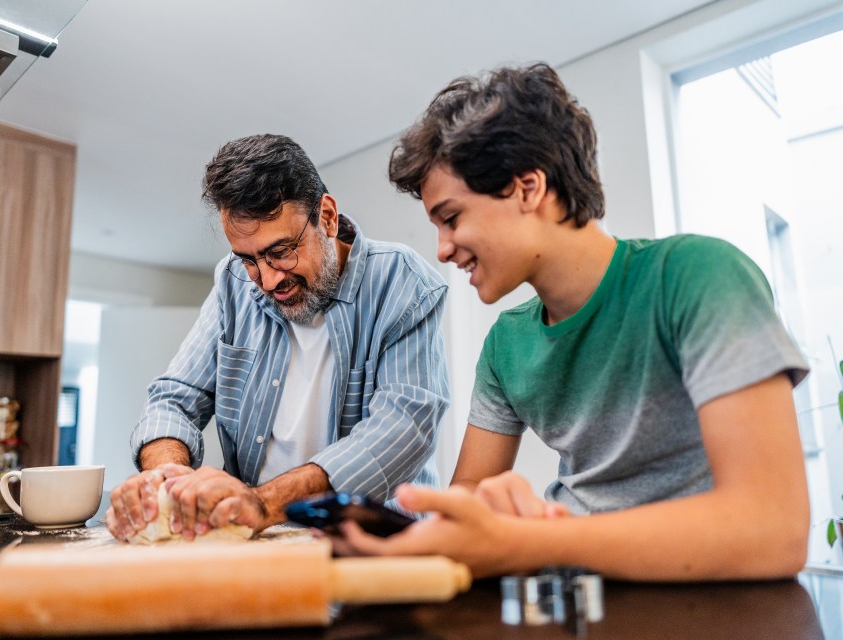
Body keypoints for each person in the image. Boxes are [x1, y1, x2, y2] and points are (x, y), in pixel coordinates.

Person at [330, 63, 811, 581]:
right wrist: (451, 525)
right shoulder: (506, 345)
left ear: (528, 188)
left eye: (451, 218)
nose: (443, 250)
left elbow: (774, 528)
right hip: (578, 597)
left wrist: (532, 541)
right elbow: (465, 499)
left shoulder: (699, 276)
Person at [106, 134, 449, 541]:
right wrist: (166, 472)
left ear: (327, 216)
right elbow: (174, 399)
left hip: (377, 549)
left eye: (282, 251)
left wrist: (265, 503)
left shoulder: (402, 282)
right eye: (249, 259)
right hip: (259, 542)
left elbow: (402, 430)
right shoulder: (234, 284)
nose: (267, 279)